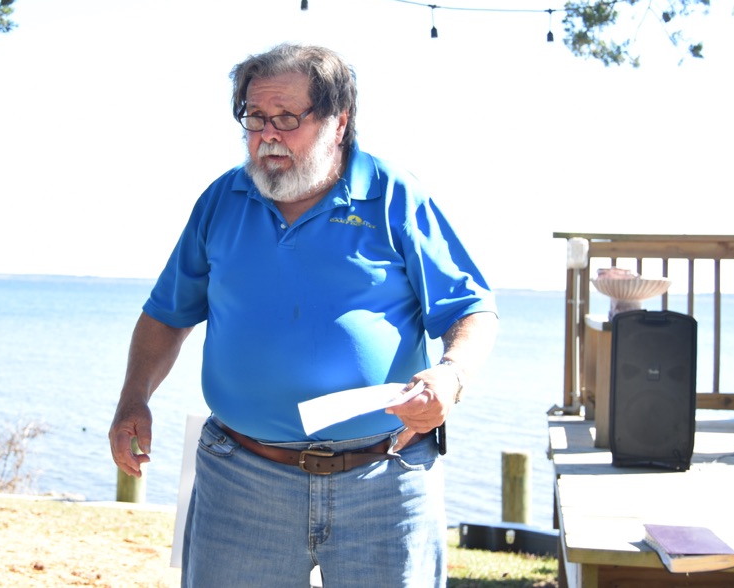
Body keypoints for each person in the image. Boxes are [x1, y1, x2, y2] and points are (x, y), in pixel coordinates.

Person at [109, 43, 497, 588]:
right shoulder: (222, 200)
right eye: (255, 118)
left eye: (287, 119)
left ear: (338, 123)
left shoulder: (393, 196)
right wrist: (134, 399)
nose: (268, 135)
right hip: (240, 480)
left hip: (384, 480)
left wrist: (450, 378)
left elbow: (471, 308)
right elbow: (167, 315)